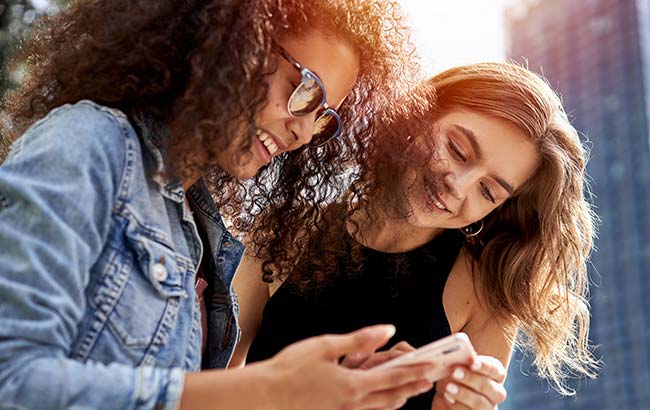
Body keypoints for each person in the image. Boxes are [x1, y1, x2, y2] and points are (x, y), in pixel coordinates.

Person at [0, 1, 437, 409]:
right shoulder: (90, 145)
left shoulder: (200, 229)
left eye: (322, 117)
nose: (303, 133)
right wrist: (265, 387)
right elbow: (12, 379)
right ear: (233, 42)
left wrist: (329, 393)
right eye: (305, 90)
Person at [232, 62, 600, 409]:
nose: (458, 186)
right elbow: (206, 385)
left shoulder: (483, 294)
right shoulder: (286, 231)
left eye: (489, 192)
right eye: (457, 150)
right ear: (421, 111)